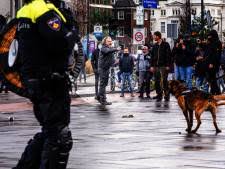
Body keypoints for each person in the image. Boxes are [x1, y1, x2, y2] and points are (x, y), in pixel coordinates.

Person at [13, 0, 83, 168]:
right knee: (59, 137)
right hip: (51, 81)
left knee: (50, 131)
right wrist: (72, 29)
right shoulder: (43, 10)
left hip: (35, 81)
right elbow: (62, 42)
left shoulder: (25, 11)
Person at [97, 36, 120, 105]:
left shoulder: (110, 49)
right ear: (105, 42)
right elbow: (107, 51)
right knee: (103, 84)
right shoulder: (103, 48)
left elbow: (112, 60)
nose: (110, 42)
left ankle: (99, 96)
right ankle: (102, 99)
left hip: (106, 68)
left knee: (104, 84)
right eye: (108, 41)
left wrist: (116, 62)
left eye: (110, 41)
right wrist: (116, 49)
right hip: (102, 68)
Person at [151, 31, 171, 101]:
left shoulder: (166, 44)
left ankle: (166, 95)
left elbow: (168, 55)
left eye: (154, 36)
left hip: (163, 66)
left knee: (164, 81)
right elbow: (152, 56)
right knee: (157, 81)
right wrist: (152, 66)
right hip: (156, 66)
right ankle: (159, 95)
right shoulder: (154, 45)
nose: (153, 37)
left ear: (157, 36)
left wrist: (168, 65)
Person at [204, 30, 222, 94]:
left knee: (212, 79)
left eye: (210, 35)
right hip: (209, 63)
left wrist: (212, 63)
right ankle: (214, 91)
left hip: (213, 64)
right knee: (211, 79)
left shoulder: (217, 43)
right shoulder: (211, 42)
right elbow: (208, 52)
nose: (209, 37)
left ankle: (216, 92)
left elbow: (215, 54)